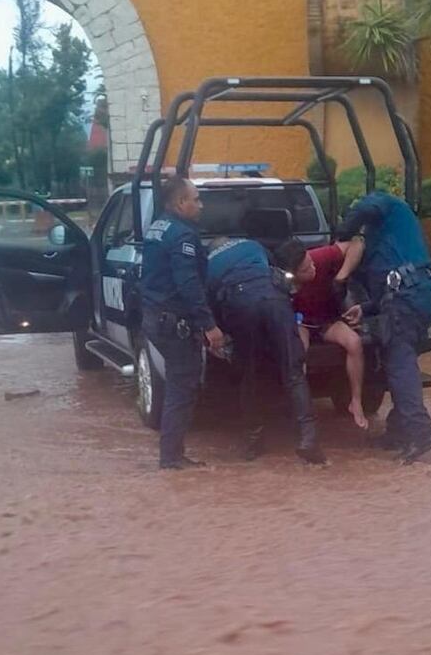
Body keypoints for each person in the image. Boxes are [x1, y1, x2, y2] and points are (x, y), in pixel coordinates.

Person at [337, 191, 431, 464]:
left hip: (410, 294)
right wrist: (365, 309)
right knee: (398, 361)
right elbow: (381, 290)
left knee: (399, 363)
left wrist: (341, 233)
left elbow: (367, 208)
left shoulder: (388, 206)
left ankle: (419, 432)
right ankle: (398, 431)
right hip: (416, 294)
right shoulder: (378, 243)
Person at [206, 237, 326, 465]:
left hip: (240, 305)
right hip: (274, 300)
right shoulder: (252, 245)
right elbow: (278, 272)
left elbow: (210, 308)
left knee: (249, 375)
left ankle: (254, 441)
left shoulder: (208, 264)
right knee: (294, 372)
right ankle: (308, 439)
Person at [138, 176, 224, 470]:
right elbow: (189, 284)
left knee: (178, 384)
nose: (201, 205)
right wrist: (209, 325)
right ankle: (172, 458)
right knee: (182, 387)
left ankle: (172, 454)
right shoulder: (183, 236)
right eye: (196, 199)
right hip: (174, 322)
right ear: (180, 202)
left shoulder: (158, 227)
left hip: (155, 316)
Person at [274, 237, 369, 429]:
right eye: (305, 270)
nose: (312, 269)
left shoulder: (319, 257)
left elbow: (357, 243)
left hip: (327, 319)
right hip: (302, 322)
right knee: (298, 353)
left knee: (354, 343)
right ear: (292, 274)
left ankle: (356, 401)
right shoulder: (280, 283)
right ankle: (301, 409)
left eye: (310, 262)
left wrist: (341, 276)